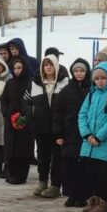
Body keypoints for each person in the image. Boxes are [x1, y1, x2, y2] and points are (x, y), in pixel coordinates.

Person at [78, 61, 107, 212]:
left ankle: (104, 204)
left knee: (105, 176)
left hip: (105, 144)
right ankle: (93, 201)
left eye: (103, 78)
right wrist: (87, 134)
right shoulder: (91, 94)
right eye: (97, 78)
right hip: (89, 144)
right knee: (91, 174)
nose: (100, 81)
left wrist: (99, 136)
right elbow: (82, 115)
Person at [53, 59, 92, 206]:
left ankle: (82, 195)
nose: (79, 73)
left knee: (83, 166)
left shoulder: (91, 89)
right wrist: (58, 134)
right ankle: (71, 194)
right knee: (69, 166)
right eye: (76, 71)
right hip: (69, 134)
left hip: (85, 134)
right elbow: (57, 112)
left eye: (82, 70)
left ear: (86, 71)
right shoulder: (67, 90)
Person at [31, 55, 69, 197]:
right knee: (42, 156)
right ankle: (42, 182)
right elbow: (26, 101)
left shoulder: (64, 82)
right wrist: (32, 113)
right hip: (41, 126)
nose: (48, 67)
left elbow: (67, 104)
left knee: (57, 157)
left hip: (58, 127)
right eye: (45, 65)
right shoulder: (35, 82)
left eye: (51, 65)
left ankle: (55, 185)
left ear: (56, 66)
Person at [1, 57, 35, 184]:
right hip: (11, 119)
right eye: (14, 68)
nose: (17, 71)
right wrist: (6, 113)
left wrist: (25, 116)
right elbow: (4, 100)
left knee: (23, 148)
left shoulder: (31, 83)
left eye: (19, 68)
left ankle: (21, 175)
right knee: (11, 147)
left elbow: (32, 102)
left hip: (25, 120)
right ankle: (11, 172)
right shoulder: (9, 83)